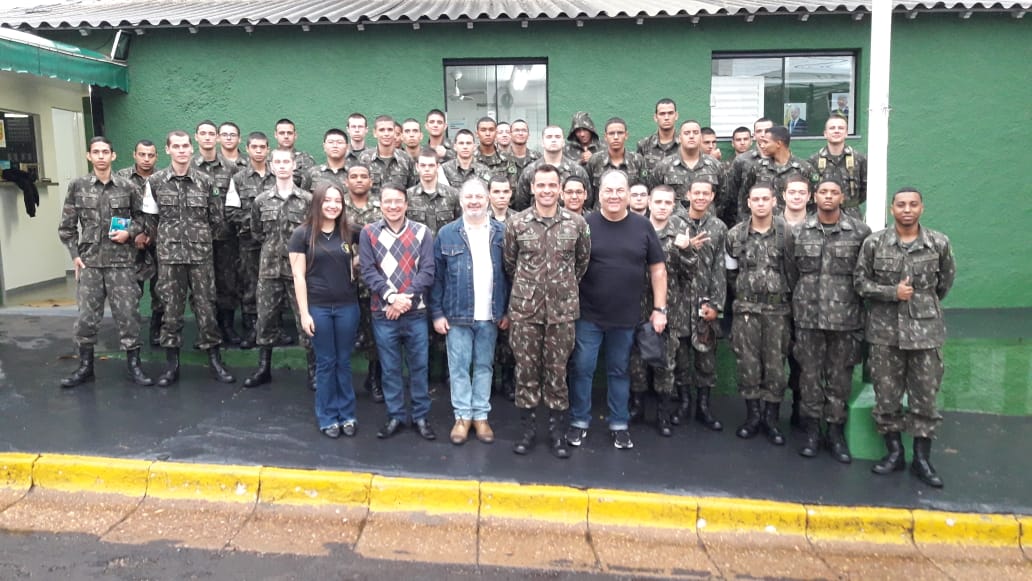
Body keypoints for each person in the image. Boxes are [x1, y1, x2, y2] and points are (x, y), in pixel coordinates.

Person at [855, 187, 955, 488]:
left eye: (913, 204)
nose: (907, 209)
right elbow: (860, 283)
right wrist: (891, 293)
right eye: (901, 205)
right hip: (885, 333)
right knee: (887, 396)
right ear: (892, 209)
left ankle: (922, 459)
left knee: (925, 397)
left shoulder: (938, 243)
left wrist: (920, 304)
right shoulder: (874, 243)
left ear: (921, 208)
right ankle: (894, 453)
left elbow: (944, 283)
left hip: (925, 334)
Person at [567, 169, 667, 451]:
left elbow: (658, 270)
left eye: (619, 190)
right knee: (583, 369)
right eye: (608, 191)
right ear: (599, 195)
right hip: (588, 315)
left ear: (629, 195)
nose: (614, 196)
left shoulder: (643, 226)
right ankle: (579, 421)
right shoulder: (584, 225)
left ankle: (619, 425)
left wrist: (660, 308)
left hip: (626, 317)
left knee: (619, 371)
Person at [504, 164, 590, 458]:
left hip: (562, 313)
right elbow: (510, 263)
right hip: (525, 312)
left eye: (552, 185)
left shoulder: (577, 223)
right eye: (541, 185)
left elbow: (581, 263)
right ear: (532, 188)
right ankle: (527, 431)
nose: (546, 190)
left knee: (557, 372)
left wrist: (559, 289)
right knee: (526, 372)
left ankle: (556, 433)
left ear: (560, 189)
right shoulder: (517, 223)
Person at [785, 178, 871, 462]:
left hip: (845, 319)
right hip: (808, 318)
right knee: (809, 377)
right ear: (815, 197)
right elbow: (792, 272)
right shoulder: (800, 232)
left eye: (834, 192)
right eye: (823, 192)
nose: (829, 196)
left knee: (839, 379)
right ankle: (812, 432)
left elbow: (863, 274)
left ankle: (834, 433)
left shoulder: (859, 232)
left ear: (842, 197)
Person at [142, 130, 234, 387]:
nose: (182, 151)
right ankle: (172, 364)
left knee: (207, 308)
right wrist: (167, 241)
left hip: (200, 256)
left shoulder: (205, 181)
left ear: (191, 149)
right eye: (177, 146)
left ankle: (214, 360)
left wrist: (199, 240)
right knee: (171, 310)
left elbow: (216, 219)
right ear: (168, 149)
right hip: (170, 258)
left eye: (185, 146)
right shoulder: (156, 182)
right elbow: (150, 221)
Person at [58, 136, 152, 388]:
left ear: (113, 156)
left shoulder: (127, 186)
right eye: (96, 152)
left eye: (105, 152)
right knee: (86, 318)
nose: (101, 156)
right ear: (89, 156)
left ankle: (134, 366)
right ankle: (85, 367)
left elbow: (143, 218)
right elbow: (67, 227)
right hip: (90, 263)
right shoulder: (77, 186)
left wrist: (129, 233)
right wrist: (75, 255)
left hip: (121, 263)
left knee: (128, 315)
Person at [430, 179, 510, 445]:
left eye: (479, 196)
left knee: (485, 366)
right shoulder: (447, 233)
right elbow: (437, 278)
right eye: (469, 197)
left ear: (487, 199)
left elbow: (510, 275)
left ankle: (481, 416)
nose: (474, 201)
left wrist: (507, 311)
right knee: (459, 368)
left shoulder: (502, 232)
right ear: (461, 200)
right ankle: (463, 417)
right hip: (457, 315)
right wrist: (437, 313)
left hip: (491, 314)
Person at [359, 183, 437, 441]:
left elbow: (427, 271)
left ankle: (421, 416)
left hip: (416, 313)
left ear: (406, 204)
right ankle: (395, 416)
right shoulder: (369, 233)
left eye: (398, 201)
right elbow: (368, 271)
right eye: (388, 201)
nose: (393, 206)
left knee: (419, 367)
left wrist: (404, 300)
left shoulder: (422, 232)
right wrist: (392, 298)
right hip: (384, 314)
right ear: (380, 204)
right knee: (390, 368)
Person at [289, 182, 361, 438]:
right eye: (327, 200)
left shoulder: (350, 231)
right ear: (317, 203)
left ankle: (347, 414)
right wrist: (304, 313)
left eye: (337, 201)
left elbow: (373, 246)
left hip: (347, 307)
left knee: (344, 361)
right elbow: (298, 276)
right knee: (326, 362)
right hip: (318, 308)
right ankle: (328, 416)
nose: (332, 205)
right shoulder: (302, 234)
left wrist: (356, 261)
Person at [242, 148, 314, 389]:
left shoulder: (307, 200)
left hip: (298, 271)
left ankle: (313, 370)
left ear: (294, 165)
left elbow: (313, 234)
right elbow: (256, 231)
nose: (282, 166)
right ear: (271, 167)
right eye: (278, 162)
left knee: (305, 320)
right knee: (265, 319)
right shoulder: (261, 201)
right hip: (269, 269)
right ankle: (264, 368)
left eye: (286, 162)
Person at [725, 184, 792, 445]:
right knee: (748, 365)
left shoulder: (787, 234)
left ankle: (771, 419)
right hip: (746, 311)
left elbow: (793, 272)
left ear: (774, 201)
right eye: (756, 199)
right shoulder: (735, 235)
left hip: (778, 311)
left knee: (775, 367)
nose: (761, 203)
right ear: (748, 202)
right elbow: (731, 272)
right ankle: (753, 417)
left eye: (766, 198)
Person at [628, 185, 696, 436]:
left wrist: (686, 251)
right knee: (636, 362)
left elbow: (690, 274)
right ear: (648, 202)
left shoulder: (680, 233)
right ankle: (637, 408)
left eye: (668, 203)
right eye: (658, 202)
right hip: (636, 307)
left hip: (668, 309)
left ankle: (662, 414)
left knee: (665, 364)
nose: (662, 207)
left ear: (673, 205)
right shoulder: (635, 229)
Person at [670, 180, 726, 431]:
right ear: (688, 195)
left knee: (706, 358)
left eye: (706, 193)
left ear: (712, 196)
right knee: (680, 356)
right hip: (679, 300)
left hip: (705, 301)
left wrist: (717, 305)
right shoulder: (674, 223)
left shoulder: (718, 227)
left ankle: (704, 406)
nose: (701, 197)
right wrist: (685, 248)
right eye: (697, 193)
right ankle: (684, 403)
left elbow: (720, 269)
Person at [193, 120, 242, 345]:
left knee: (227, 282)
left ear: (218, 138)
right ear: (196, 137)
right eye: (203, 133)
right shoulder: (189, 167)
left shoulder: (231, 169)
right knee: (200, 286)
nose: (207, 137)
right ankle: (206, 329)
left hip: (225, 237)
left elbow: (236, 202)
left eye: (211, 133)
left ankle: (227, 327)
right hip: (196, 238)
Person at [226, 132, 275, 349]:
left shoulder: (278, 176)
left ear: (268, 150)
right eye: (254, 147)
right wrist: (256, 222)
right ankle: (251, 328)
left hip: (274, 242)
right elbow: (231, 211)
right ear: (247, 149)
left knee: (275, 284)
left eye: (262, 147)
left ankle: (273, 328)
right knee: (250, 284)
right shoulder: (238, 179)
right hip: (249, 242)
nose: (259, 151)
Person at [344, 164, 385, 403]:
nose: (359, 180)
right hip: (344, 282)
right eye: (354, 176)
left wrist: (364, 258)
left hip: (374, 282)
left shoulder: (381, 208)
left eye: (363, 177)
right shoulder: (338, 207)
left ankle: (374, 378)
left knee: (374, 334)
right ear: (346, 182)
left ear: (371, 181)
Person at [116, 139, 161, 346]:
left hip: (158, 242)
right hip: (130, 244)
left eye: (150, 155)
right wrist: (134, 234)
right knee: (131, 291)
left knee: (160, 290)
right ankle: (131, 335)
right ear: (134, 155)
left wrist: (151, 234)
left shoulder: (162, 178)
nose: (146, 159)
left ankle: (157, 329)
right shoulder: (121, 178)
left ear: (156, 157)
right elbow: (118, 211)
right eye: (142, 154)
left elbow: (165, 213)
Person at [737, 126, 818, 221]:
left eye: (766, 142)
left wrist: (806, 223)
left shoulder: (804, 168)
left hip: (796, 225)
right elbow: (744, 199)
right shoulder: (756, 167)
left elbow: (815, 200)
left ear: (778, 144)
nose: (762, 145)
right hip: (765, 225)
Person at [652, 120, 726, 212]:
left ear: (700, 138)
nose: (691, 136)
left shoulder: (715, 165)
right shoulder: (664, 166)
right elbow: (654, 194)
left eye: (695, 133)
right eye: (687, 133)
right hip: (674, 219)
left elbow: (723, 198)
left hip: (707, 219)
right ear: (680, 138)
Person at [487, 175, 517, 401]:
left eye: (505, 191)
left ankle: (508, 380)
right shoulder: (479, 219)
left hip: (512, 284)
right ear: (489, 194)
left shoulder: (519, 220)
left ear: (511, 194)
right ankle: (488, 382)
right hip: (486, 286)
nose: (501, 196)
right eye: (496, 192)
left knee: (509, 341)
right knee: (487, 341)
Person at [514, 125, 591, 211]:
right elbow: (521, 205)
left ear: (563, 142)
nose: (553, 140)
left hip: (570, 218)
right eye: (549, 137)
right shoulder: (529, 171)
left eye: (557, 137)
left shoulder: (577, 171)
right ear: (542, 142)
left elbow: (587, 201)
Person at [808, 115, 867, 220]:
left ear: (846, 133)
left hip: (852, 217)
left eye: (840, 128)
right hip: (822, 216)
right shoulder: (814, 160)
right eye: (832, 128)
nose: (836, 131)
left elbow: (866, 190)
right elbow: (810, 190)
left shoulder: (859, 159)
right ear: (825, 133)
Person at [586, 117, 648, 200]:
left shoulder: (638, 160)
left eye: (620, 133)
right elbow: (588, 192)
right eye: (611, 133)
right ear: (605, 136)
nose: (616, 137)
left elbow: (644, 189)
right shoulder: (595, 160)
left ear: (626, 135)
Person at [359, 115, 415, 197]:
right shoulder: (365, 158)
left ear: (394, 132)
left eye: (390, 130)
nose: (386, 134)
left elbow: (411, 191)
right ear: (375, 133)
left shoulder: (406, 159)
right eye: (382, 130)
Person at [636, 98, 679, 172]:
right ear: (655, 117)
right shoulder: (644, 145)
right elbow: (640, 174)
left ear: (676, 115)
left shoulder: (685, 144)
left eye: (670, 113)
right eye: (662, 114)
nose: (666, 118)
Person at [474, 117, 518, 188]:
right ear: (477, 134)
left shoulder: (507, 159)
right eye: (483, 130)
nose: (487, 134)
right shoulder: (469, 158)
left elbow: (512, 188)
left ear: (496, 133)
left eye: (491, 130)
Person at [274, 118, 316, 189]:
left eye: (289, 133)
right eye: (282, 133)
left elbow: (312, 187)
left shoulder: (306, 160)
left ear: (295, 135)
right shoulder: (269, 160)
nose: (286, 136)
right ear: (275, 135)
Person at [307, 128, 350, 194]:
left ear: (347, 147)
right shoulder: (312, 173)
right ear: (324, 146)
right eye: (331, 142)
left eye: (339, 142)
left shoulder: (354, 173)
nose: (335, 146)